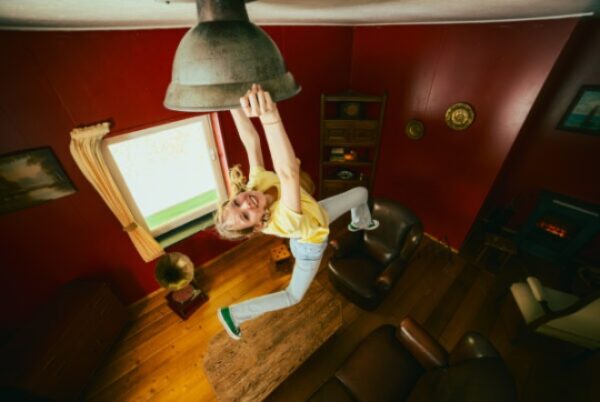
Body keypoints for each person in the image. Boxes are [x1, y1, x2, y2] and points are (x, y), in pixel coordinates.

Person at [215, 84, 379, 340]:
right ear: (257, 226)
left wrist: (230, 101)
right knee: (293, 296)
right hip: (309, 244)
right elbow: (288, 174)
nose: (245, 204)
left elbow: (251, 141)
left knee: (361, 193)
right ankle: (234, 314)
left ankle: (361, 221)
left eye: (236, 203)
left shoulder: (255, 184)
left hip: (317, 215)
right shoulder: (282, 221)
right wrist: (270, 118)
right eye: (245, 216)